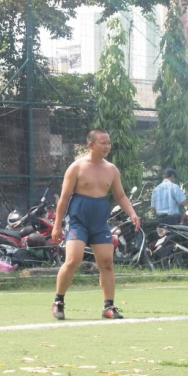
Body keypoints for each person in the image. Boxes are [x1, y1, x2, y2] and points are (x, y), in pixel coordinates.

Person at [50, 128, 140, 321]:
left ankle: (109, 307)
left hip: (99, 224)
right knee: (73, 259)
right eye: (103, 143)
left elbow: (120, 196)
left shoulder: (111, 169)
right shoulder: (76, 167)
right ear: (91, 144)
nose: (107, 146)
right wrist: (57, 225)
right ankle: (58, 301)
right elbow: (64, 199)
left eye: (109, 142)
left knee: (107, 263)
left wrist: (132, 213)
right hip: (78, 222)